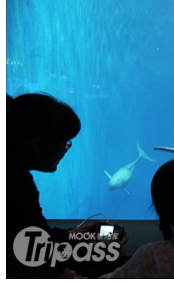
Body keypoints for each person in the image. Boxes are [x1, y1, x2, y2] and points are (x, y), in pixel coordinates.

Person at [7, 93, 128, 278]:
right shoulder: (15, 180)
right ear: (37, 144)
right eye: (65, 143)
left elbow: (34, 235)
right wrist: (105, 250)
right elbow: (44, 253)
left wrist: (81, 234)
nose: (66, 149)